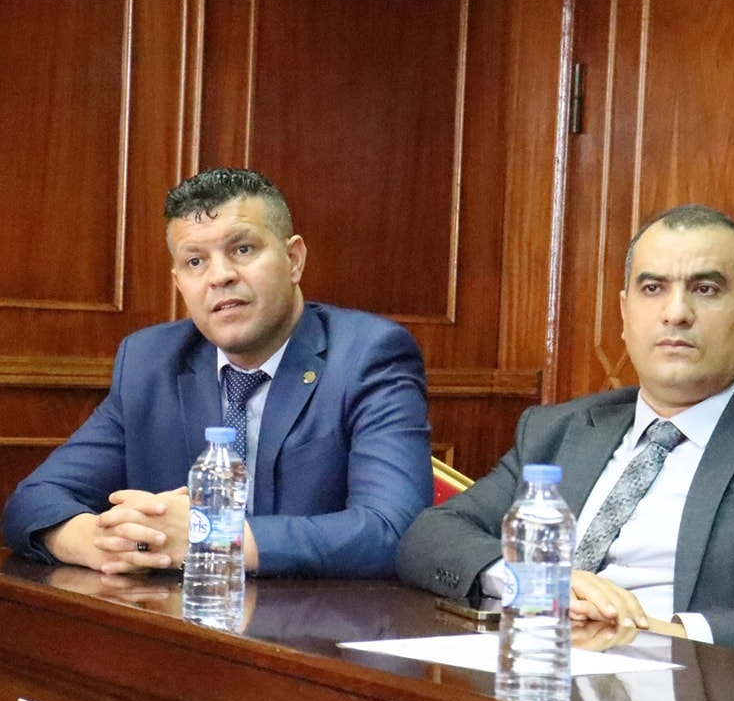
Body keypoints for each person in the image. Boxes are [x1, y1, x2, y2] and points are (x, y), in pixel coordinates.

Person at [398, 204, 734, 678]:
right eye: (652, 288)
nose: (676, 313)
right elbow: (429, 537)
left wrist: (670, 636)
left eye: (705, 289)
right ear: (625, 313)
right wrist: (534, 582)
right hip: (536, 682)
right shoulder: (560, 429)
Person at [3, 168, 433, 578]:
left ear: (293, 260)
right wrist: (100, 543)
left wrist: (211, 537)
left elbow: (393, 531)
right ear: (179, 283)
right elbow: (33, 502)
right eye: (195, 261)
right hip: (178, 617)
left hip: (316, 619)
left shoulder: (368, 356)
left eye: (242, 250)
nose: (220, 276)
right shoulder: (150, 362)